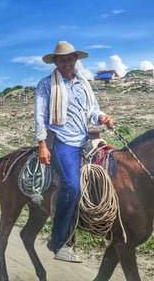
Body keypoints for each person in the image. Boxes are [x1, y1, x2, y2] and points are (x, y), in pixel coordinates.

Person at [34, 41, 113, 263]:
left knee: (112, 170)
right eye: (62, 59)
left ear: (75, 60)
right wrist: (41, 143)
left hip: (85, 138)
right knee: (71, 184)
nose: (67, 62)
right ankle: (59, 242)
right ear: (56, 62)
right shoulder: (47, 84)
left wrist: (102, 117)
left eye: (70, 59)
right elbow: (40, 115)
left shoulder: (83, 83)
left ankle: (100, 221)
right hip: (62, 141)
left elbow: (93, 109)